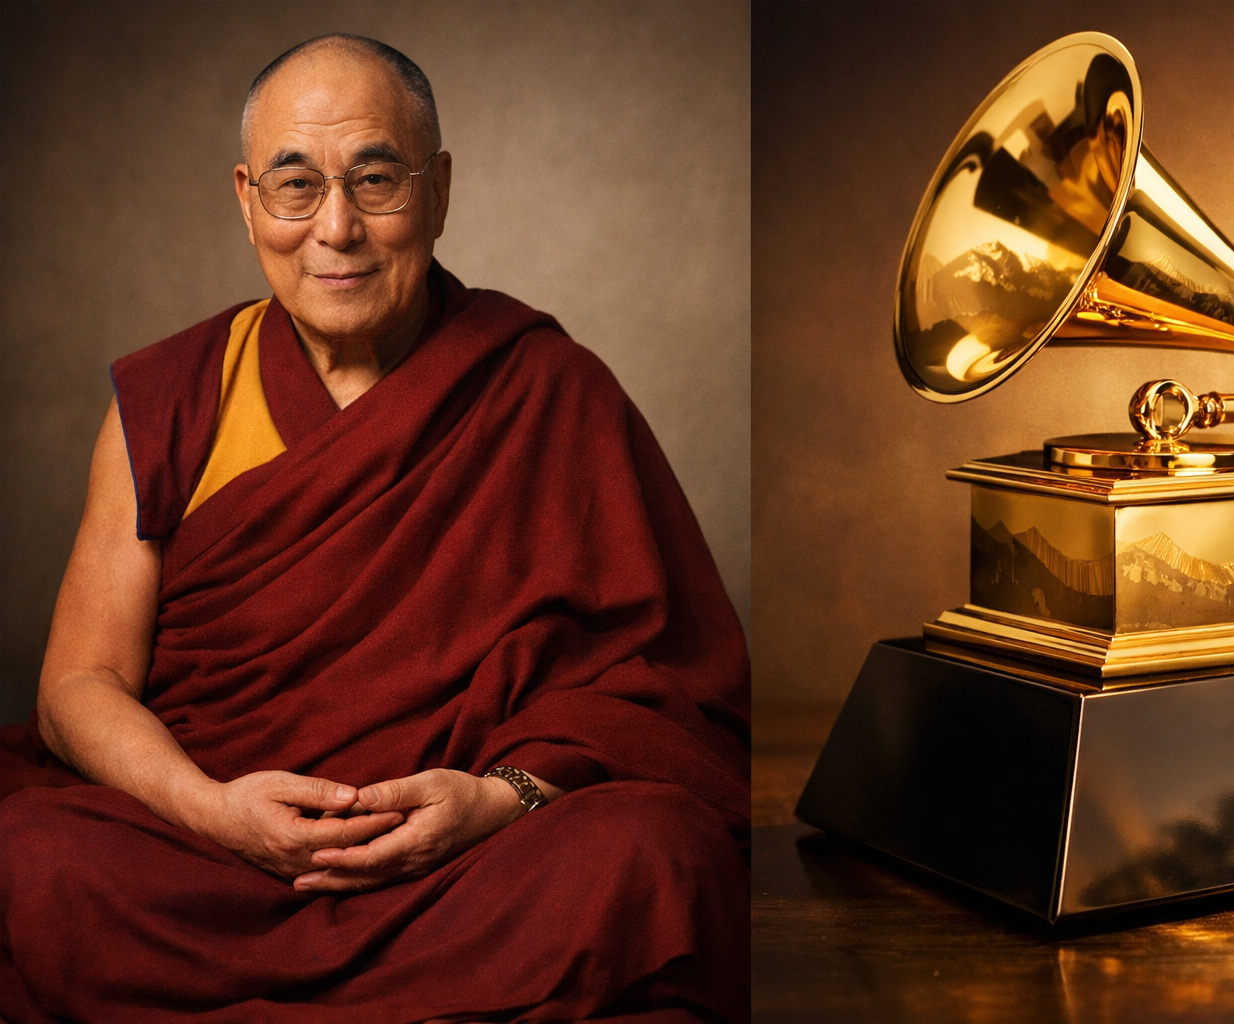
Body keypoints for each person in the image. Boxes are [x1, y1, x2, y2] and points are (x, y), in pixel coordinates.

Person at [0, 34, 748, 1024]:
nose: (338, 228)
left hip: (471, 870)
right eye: (295, 185)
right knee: (30, 854)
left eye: (378, 181)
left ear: (438, 192)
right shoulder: (174, 397)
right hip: (206, 862)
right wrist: (214, 814)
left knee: (654, 853)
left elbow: (664, 691)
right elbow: (77, 685)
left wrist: (494, 801)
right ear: (245, 199)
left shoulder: (548, 390)